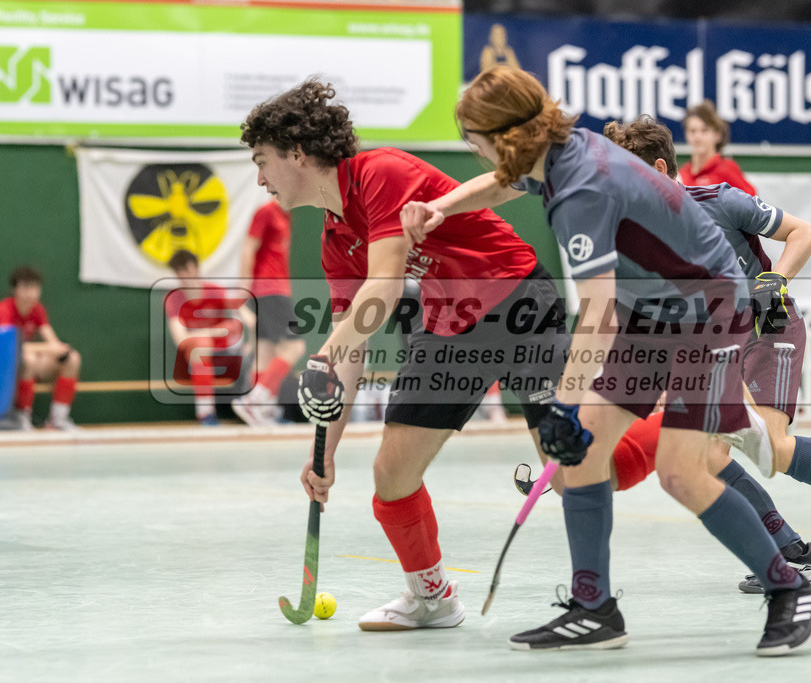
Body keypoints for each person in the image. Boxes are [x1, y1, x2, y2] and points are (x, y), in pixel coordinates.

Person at [401, 65, 811, 656]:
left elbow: (596, 311)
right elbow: (504, 184)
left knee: (681, 472)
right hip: (649, 313)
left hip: (706, 315)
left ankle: (791, 588)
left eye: (473, 140)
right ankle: (594, 607)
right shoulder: (557, 151)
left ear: (503, 137)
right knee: (584, 457)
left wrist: (564, 400)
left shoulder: (581, 189)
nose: (472, 152)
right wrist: (440, 207)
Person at [513, 116, 811, 590]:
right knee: (706, 455)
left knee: (773, 446)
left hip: (769, 328)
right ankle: (793, 553)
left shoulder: (720, 201)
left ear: (659, 168)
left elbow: (804, 232)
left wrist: (777, 279)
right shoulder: (633, 230)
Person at [240, 78, 570, 631]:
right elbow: (351, 349)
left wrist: (326, 349)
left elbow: (386, 287)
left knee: (570, 472)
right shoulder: (333, 238)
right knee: (392, 473)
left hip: (516, 302)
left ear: (296, 153)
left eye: (262, 160)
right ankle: (432, 597)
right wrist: (325, 453)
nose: (260, 178)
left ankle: (701, 432)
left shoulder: (380, 174)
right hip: (449, 328)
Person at [232, 200, 306, 426]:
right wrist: (244, 287)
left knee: (265, 351)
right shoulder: (265, 211)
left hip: (276, 290)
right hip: (269, 290)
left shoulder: (287, 214)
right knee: (295, 347)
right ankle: (255, 400)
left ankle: (260, 411)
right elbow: (248, 247)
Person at [0, 266, 81, 430]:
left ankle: (58, 420)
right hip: (0, 367)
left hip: (25, 362)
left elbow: (53, 344)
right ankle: (22, 417)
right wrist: (45, 348)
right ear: (14, 289)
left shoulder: (38, 310)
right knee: (28, 358)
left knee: (72, 358)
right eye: (25, 287)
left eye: (34, 287)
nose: (30, 293)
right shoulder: (4, 309)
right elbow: (9, 347)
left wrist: (57, 349)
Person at [166, 250, 249, 426]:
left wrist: (241, 333)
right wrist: (214, 331)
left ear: (196, 268)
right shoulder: (174, 298)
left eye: (187, 269)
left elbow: (246, 319)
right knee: (200, 346)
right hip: (197, 352)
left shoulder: (216, 291)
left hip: (226, 351)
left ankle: (257, 409)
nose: (184, 275)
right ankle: (205, 413)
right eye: (179, 271)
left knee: (255, 349)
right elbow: (181, 339)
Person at [679, 100, 755, 195]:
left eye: (704, 130)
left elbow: (752, 201)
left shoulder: (727, 169)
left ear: (717, 135)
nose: (697, 137)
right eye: (692, 131)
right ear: (686, 135)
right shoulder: (683, 173)